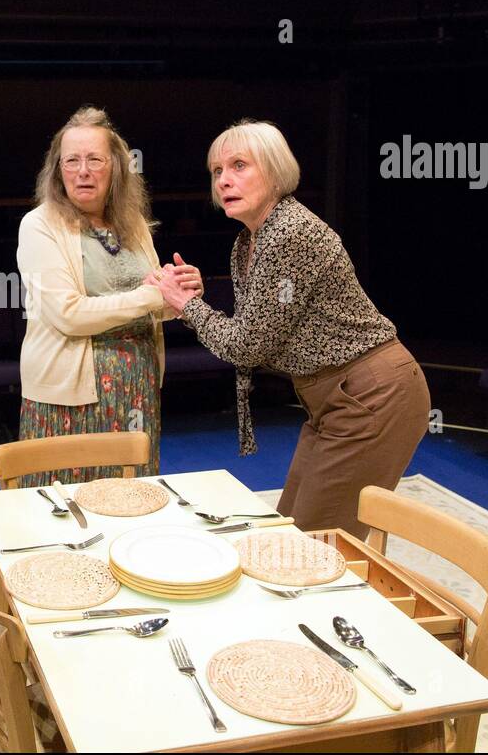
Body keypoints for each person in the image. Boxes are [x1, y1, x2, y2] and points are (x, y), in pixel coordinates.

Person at [147, 119, 430, 537]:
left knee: (312, 544)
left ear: (276, 171)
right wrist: (196, 300)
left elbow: (246, 347)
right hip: (336, 398)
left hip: (373, 394)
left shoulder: (289, 233)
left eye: (239, 165)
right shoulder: (248, 242)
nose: (225, 180)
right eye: (217, 171)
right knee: (290, 530)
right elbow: (257, 328)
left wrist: (187, 304)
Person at [16, 106, 202, 484]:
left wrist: (180, 294)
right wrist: (153, 297)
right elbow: (69, 315)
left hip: (136, 384)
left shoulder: (132, 223)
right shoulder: (38, 226)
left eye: (94, 160)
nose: (82, 171)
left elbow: (153, 306)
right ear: (57, 170)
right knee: (63, 508)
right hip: (71, 394)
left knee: (130, 499)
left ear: (116, 167)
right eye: (71, 161)